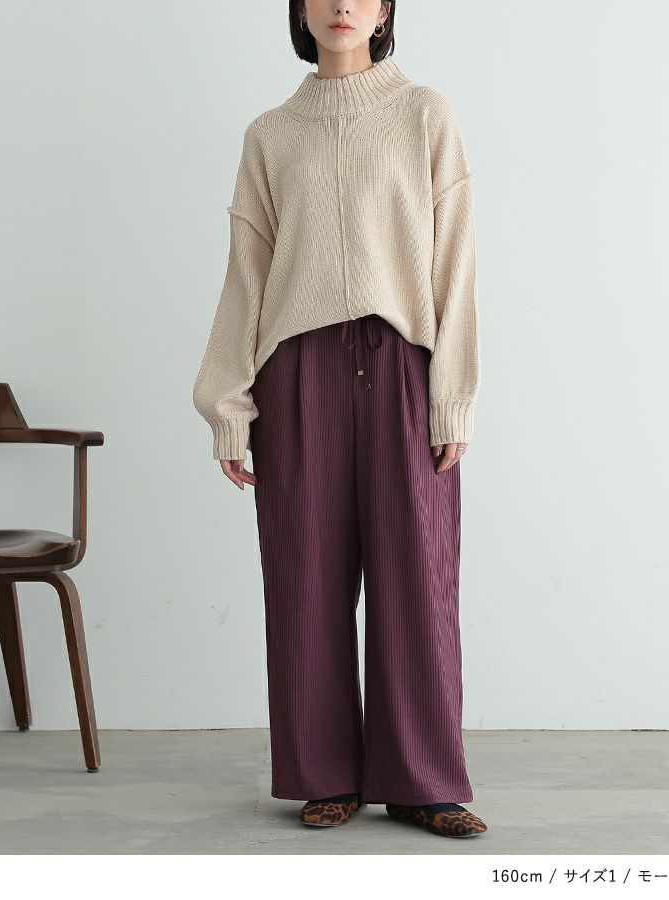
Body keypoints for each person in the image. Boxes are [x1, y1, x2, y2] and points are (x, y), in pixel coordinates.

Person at [193, 1, 486, 839]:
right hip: (296, 372)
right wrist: (227, 404)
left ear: (388, 8)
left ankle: (423, 782)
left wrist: (453, 392)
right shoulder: (270, 135)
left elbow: (456, 260)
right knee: (305, 578)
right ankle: (324, 774)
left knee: (418, 577)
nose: (343, 4)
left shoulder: (425, 114)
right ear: (299, 9)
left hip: (403, 367)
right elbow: (247, 273)